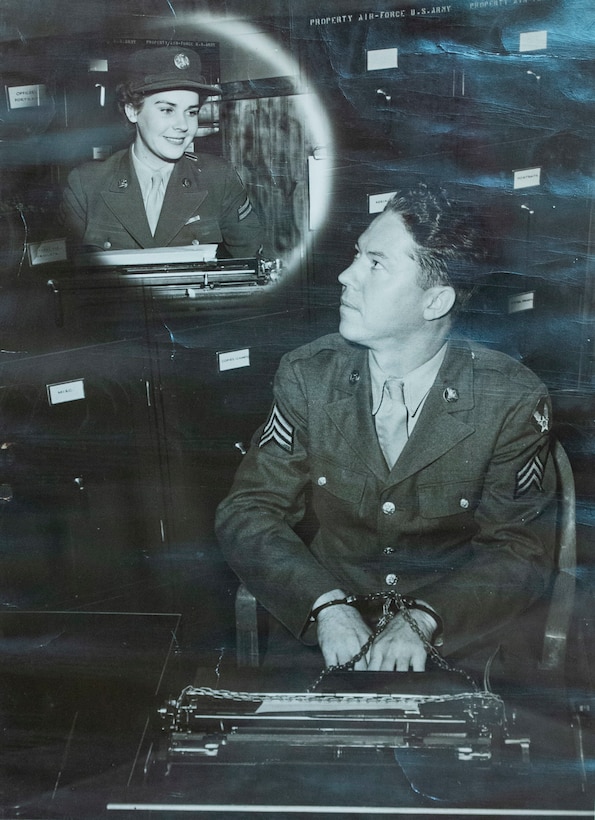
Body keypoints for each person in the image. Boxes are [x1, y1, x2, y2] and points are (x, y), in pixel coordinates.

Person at [215, 183, 557, 676]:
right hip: (323, 632)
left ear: (435, 301)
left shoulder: (510, 398)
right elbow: (248, 512)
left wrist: (426, 618)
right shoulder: (309, 374)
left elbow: (520, 550)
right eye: (358, 255)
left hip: (451, 643)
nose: (346, 275)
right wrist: (324, 605)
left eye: (376, 264)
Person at [61, 46, 263, 258]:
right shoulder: (87, 185)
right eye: (167, 110)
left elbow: (252, 263)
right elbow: (63, 275)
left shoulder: (218, 178)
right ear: (132, 110)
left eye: (191, 112)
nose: (183, 125)